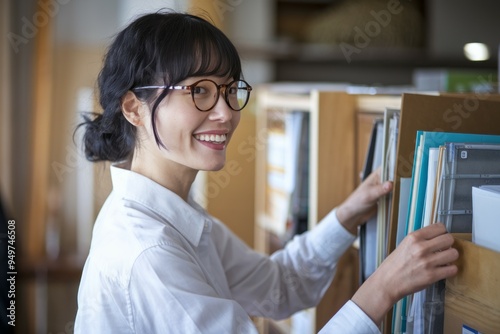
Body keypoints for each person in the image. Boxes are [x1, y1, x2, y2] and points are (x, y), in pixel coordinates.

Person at [74, 11, 459, 334]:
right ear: (134, 108)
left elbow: (278, 286)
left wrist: (345, 218)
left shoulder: (174, 215)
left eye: (229, 90)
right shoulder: (149, 252)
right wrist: (384, 289)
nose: (225, 113)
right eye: (200, 91)